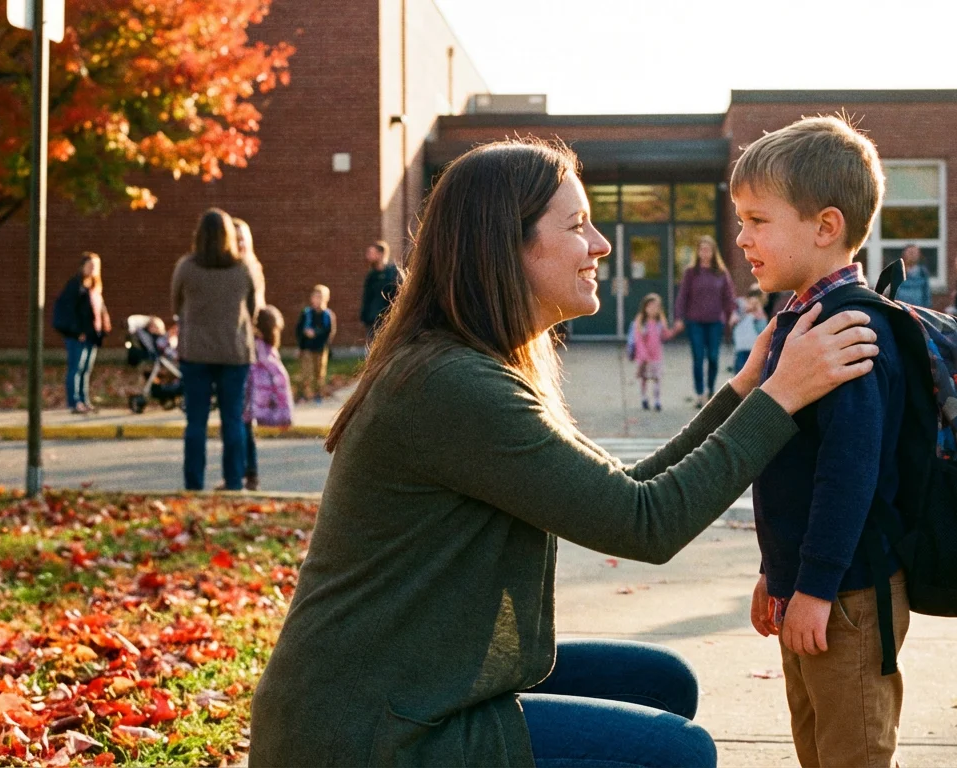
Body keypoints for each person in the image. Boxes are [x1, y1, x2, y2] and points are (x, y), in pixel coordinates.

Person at [249, 138, 882, 768]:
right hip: (372, 734)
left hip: (420, 691)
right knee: (678, 754)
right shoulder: (452, 386)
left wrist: (745, 389)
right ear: (507, 245)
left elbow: (626, 490)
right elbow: (647, 523)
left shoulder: (470, 367)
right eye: (578, 226)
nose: (602, 244)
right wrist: (781, 397)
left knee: (662, 683)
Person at [733, 115, 909, 768]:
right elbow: (789, 466)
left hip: (848, 597)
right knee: (815, 750)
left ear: (825, 227)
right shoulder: (799, 321)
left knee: (852, 753)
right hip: (806, 587)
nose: (742, 237)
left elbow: (849, 472)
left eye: (758, 220)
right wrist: (773, 572)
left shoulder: (848, 330)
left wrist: (814, 588)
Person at [172, 208, 265, 492]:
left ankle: (193, 484)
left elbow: (176, 304)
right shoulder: (243, 269)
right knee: (233, 420)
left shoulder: (187, 267)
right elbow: (254, 310)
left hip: (195, 353)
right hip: (234, 353)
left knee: (196, 422)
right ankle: (235, 481)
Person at [673, 235, 736, 407]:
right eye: (702, 249)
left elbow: (729, 297)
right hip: (695, 322)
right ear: (698, 252)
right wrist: (679, 317)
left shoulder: (721, 273)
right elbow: (682, 297)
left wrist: (733, 314)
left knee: (714, 357)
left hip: (715, 321)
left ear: (713, 252)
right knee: (698, 357)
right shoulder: (691, 272)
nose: (705, 252)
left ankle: (710, 390)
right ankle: (700, 394)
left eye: (708, 249)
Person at [52, 252, 112, 414]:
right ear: (82, 266)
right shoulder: (75, 286)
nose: (93, 269)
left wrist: (104, 325)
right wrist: (77, 332)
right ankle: (74, 402)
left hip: (92, 336)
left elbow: (99, 310)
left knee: (86, 370)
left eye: (96, 266)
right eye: (90, 265)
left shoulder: (94, 287)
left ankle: (84, 400)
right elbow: (69, 311)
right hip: (78, 336)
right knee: (75, 369)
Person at [243, 305, 293, 491]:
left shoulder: (259, 349)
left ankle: (248, 474)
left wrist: (285, 414)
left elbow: (279, 380)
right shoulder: (265, 348)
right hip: (253, 399)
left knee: (243, 435)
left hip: (248, 399)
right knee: (246, 436)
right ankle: (249, 475)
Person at [630, 292, 675, 411]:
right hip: (644, 357)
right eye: (651, 306)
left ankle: (657, 400)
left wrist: (675, 329)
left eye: (656, 307)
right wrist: (643, 355)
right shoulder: (641, 321)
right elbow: (638, 339)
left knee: (657, 379)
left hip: (656, 356)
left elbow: (665, 336)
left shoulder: (660, 322)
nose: (654, 309)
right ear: (645, 307)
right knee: (644, 378)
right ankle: (644, 398)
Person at [295, 284, 336, 404]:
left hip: (320, 348)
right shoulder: (307, 313)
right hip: (307, 347)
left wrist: (317, 334)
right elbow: (299, 330)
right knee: (306, 373)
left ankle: (319, 394)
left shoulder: (327, 315)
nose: (317, 299)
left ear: (325, 299)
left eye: (320, 297)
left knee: (319, 373)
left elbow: (329, 331)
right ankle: (306, 395)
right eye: (315, 296)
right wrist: (302, 342)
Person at [360, 239, 402, 344]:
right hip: (373, 319)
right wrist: (365, 316)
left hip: (389, 318)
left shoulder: (393, 273)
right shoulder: (371, 276)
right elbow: (367, 297)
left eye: (371, 253)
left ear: (380, 254)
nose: (367, 256)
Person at [731, 287, 769, 375]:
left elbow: (762, 330)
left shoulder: (759, 315)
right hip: (743, 346)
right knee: (740, 371)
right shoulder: (740, 310)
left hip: (751, 347)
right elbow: (733, 322)